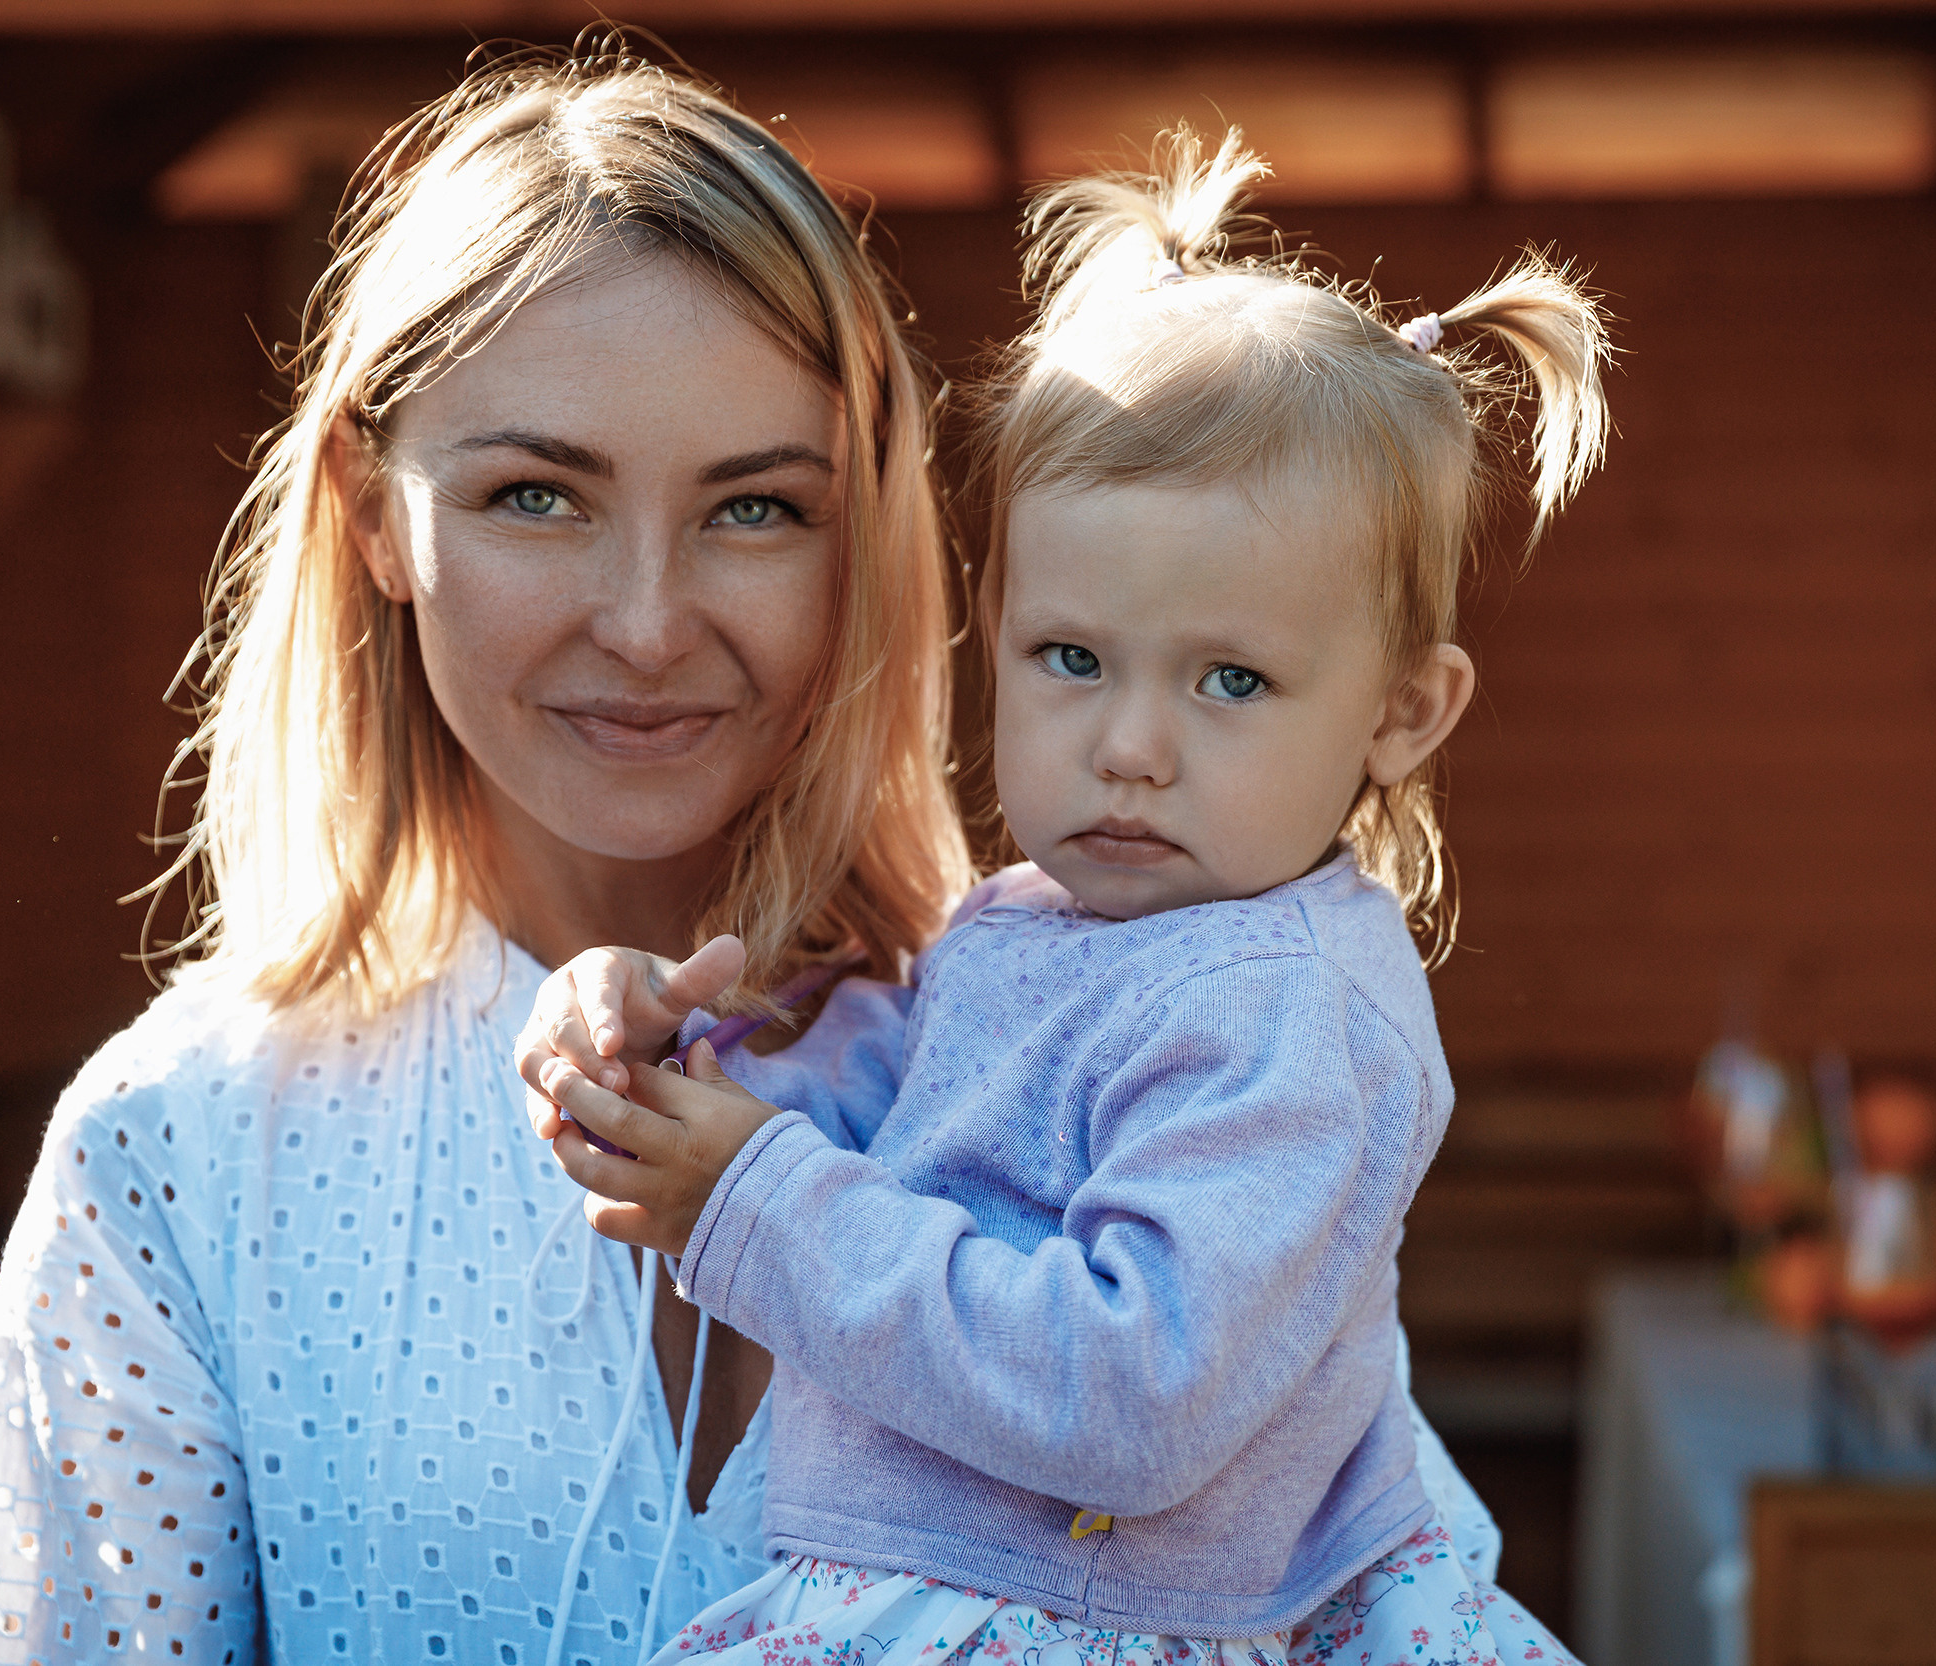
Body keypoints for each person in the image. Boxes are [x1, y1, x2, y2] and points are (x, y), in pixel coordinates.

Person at [0, 51, 1513, 1666]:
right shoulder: (175, 1154)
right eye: (537, 494)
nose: (648, 622)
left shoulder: (1095, 1050)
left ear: (865, 535)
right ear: (377, 513)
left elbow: (1345, 1575)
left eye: (755, 509)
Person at [517, 133, 1604, 1666]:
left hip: (1091, 1621)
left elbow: (1131, 1391)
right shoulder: (1026, 925)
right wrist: (669, 1058)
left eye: (1232, 679)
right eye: (1073, 658)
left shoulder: (1285, 1010)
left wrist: (755, 1194)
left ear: (1402, 711)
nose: (1131, 744)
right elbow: (887, 1120)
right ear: (998, 626)